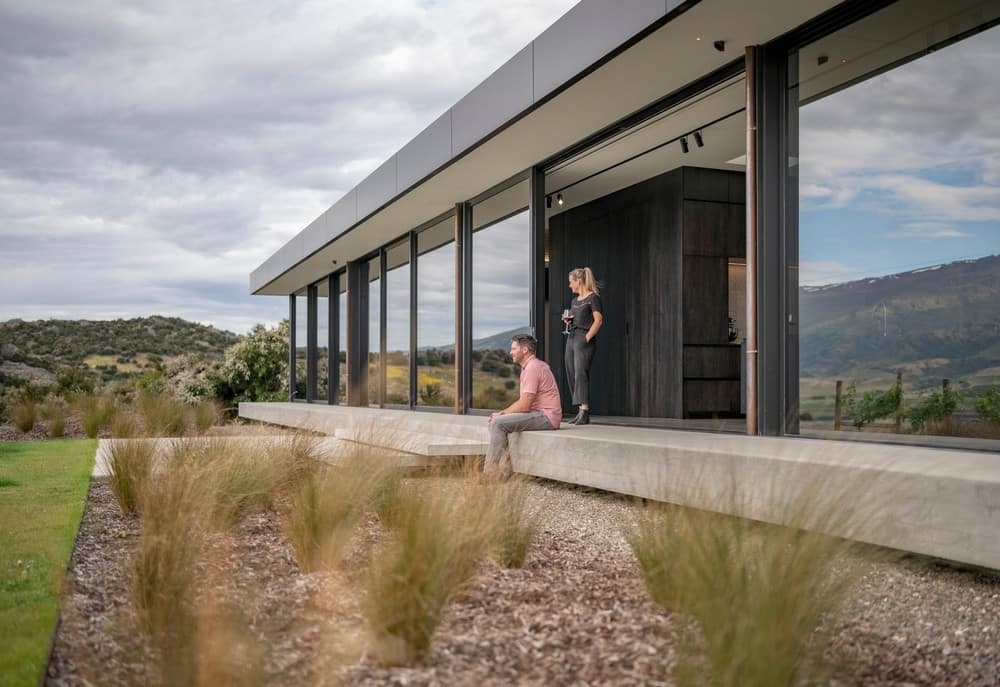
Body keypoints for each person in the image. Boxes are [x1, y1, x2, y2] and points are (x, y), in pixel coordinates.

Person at [484, 334, 562, 481]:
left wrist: (501, 413)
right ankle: (504, 473)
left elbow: (524, 405)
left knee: (498, 423)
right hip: (539, 414)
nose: (510, 352)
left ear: (525, 350)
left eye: (513, 349)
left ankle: (490, 474)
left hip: (546, 417)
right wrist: (502, 414)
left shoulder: (533, 368)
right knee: (498, 422)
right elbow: (525, 403)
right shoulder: (530, 366)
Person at [562, 267, 603, 425]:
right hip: (572, 337)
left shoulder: (593, 298)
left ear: (579, 281)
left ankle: (584, 412)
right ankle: (580, 411)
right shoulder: (574, 301)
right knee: (571, 371)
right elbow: (575, 318)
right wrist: (568, 321)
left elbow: (598, 320)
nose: (569, 285)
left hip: (583, 338)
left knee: (581, 373)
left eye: (571, 282)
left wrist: (586, 338)